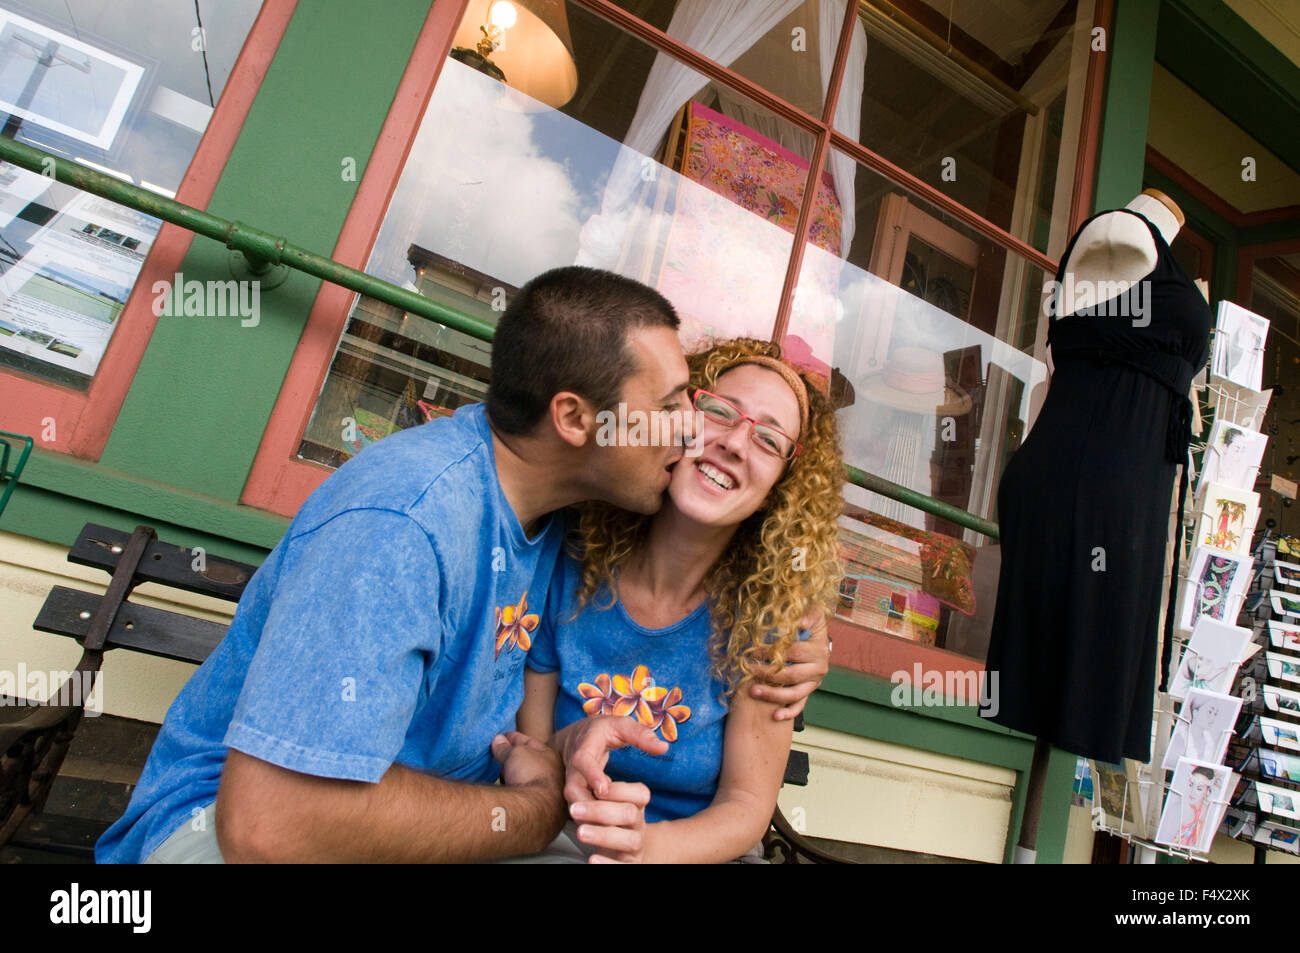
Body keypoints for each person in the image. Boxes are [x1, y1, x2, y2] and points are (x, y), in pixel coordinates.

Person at [95, 268, 830, 864]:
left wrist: (806, 629)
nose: (695, 434)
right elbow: (271, 830)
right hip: (220, 831)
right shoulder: (404, 522)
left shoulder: (563, 516)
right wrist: (539, 806)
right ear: (576, 421)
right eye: (681, 406)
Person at [516, 338, 844, 862]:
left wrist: (645, 849)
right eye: (719, 411)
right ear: (677, 418)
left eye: (769, 439)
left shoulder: (774, 620)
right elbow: (530, 748)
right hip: (554, 830)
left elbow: (746, 806)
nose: (736, 442)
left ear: (783, 486)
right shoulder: (572, 553)